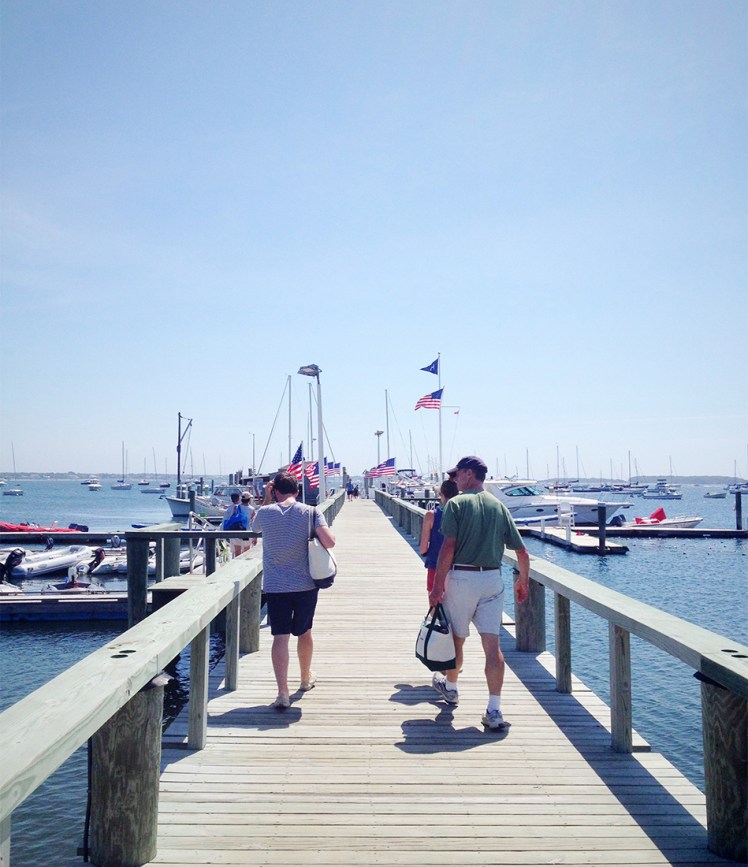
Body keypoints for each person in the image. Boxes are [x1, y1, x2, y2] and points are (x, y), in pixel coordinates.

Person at [428, 455, 530, 731]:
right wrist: (523, 581)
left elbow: (448, 548)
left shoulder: (457, 504)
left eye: (457, 474)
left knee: (457, 640)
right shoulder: (499, 506)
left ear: (470, 474)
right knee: (492, 645)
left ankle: (451, 688)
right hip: (492, 579)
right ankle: (494, 709)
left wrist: (438, 586)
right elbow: (521, 551)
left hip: (462, 577)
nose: (454, 479)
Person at [252, 470, 336, 710]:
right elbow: (330, 541)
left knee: (280, 637)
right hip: (305, 585)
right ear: (297, 491)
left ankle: (282, 693)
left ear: (275, 490)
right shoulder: (310, 512)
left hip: (276, 586)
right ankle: (305, 678)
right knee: (304, 632)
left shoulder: (266, 512)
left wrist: (267, 497)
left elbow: (254, 529)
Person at [419, 479, 459, 594]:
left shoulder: (431, 516)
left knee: (434, 606)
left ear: (441, 494)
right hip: (457, 569)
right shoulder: (461, 515)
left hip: (435, 566)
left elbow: (423, 548)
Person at [222, 491, 252, 558]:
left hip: (235, 530)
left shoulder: (235, 507)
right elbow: (252, 522)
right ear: (249, 499)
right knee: (247, 552)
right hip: (247, 532)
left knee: (237, 552)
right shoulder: (252, 509)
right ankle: (245, 567)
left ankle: (237, 565)